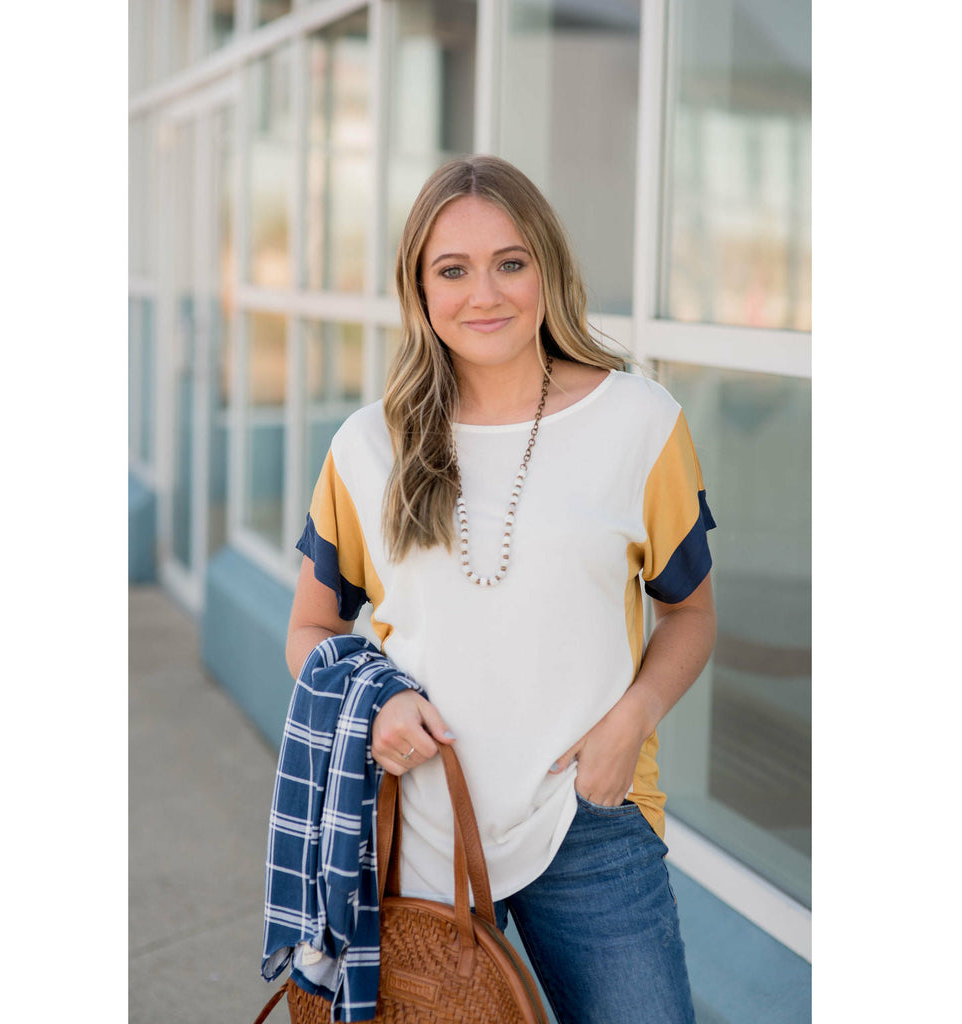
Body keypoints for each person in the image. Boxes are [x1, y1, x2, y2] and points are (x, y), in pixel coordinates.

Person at [285, 155, 717, 1024]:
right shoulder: (366, 446)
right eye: (453, 270)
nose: (485, 293)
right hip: (415, 827)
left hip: (587, 817)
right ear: (419, 288)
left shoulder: (640, 423)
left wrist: (627, 725)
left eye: (510, 263)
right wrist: (373, 711)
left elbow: (691, 613)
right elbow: (312, 626)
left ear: (547, 270)